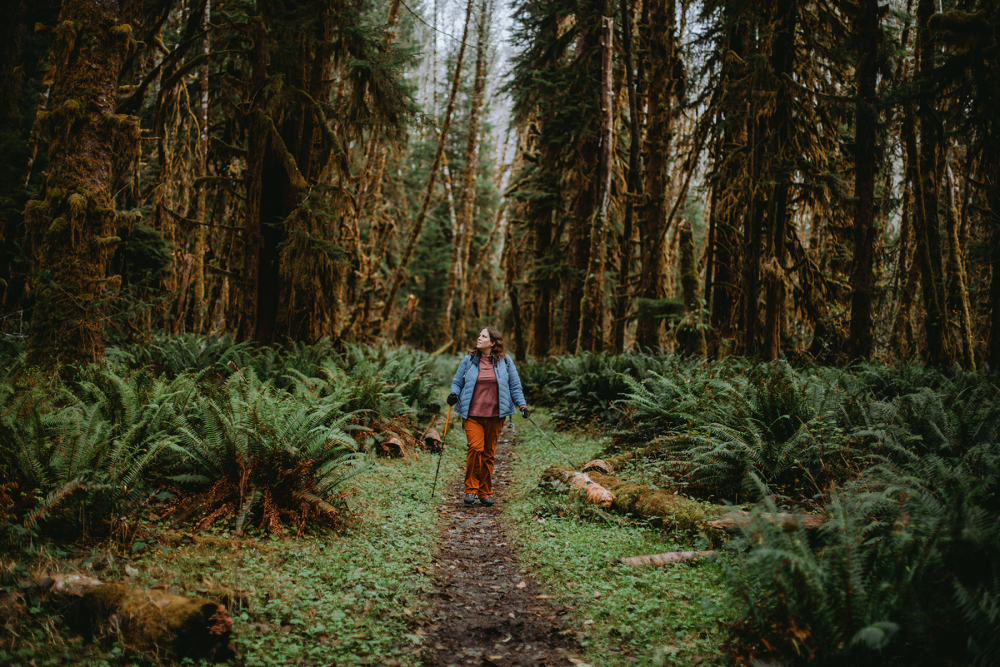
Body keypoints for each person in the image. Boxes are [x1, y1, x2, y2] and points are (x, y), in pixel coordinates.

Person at [447, 327, 529, 506]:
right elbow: (457, 381)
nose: (479, 338)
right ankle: (471, 488)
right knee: (475, 448)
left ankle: (485, 492)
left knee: (488, 454)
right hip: (472, 415)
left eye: (483, 336)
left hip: (496, 415)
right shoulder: (469, 360)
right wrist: (454, 393)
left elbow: (515, 386)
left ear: (493, 342)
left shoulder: (505, 362)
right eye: (479, 335)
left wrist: (522, 405)